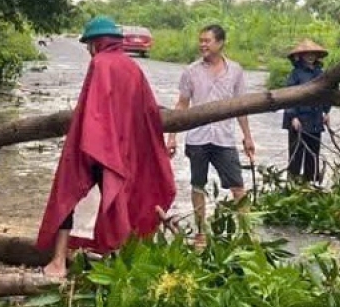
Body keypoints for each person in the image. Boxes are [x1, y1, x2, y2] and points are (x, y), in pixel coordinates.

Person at [36, 16, 176, 280]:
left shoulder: (100, 63)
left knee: (67, 194)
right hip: (124, 150)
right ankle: (123, 261)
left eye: (89, 45)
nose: (89, 51)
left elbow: (94, 111)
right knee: (120, 202)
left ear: (95, 43)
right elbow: (145, 111)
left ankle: (58, 262)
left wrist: (88, 147)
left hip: (98, 146)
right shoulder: (132, 67)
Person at [166, 24, 255, 247]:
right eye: (201, 41)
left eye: (207, 41)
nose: (202, 45)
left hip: (224, 138)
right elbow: (182, 104)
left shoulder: (235, 70)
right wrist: (172, 136)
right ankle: (200, 233)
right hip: (198, 138)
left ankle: (246, 233)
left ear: (220, 43)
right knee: (198, 185)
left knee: (237, 186)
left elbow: (241, 106)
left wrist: (247, 137)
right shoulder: (191, 71)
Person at [281, 39, 330, 184]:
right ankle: (292, 185)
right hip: (299, 120)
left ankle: (311, 185)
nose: (310, 56)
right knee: (296, 156)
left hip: (315, 120)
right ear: (301, 56)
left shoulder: (321, 73)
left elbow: (327, 94)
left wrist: (327, 112)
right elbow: (288, 96)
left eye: (313, 54)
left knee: (313, 156)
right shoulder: (295, 74)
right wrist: (293, 116)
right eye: (307, 54)